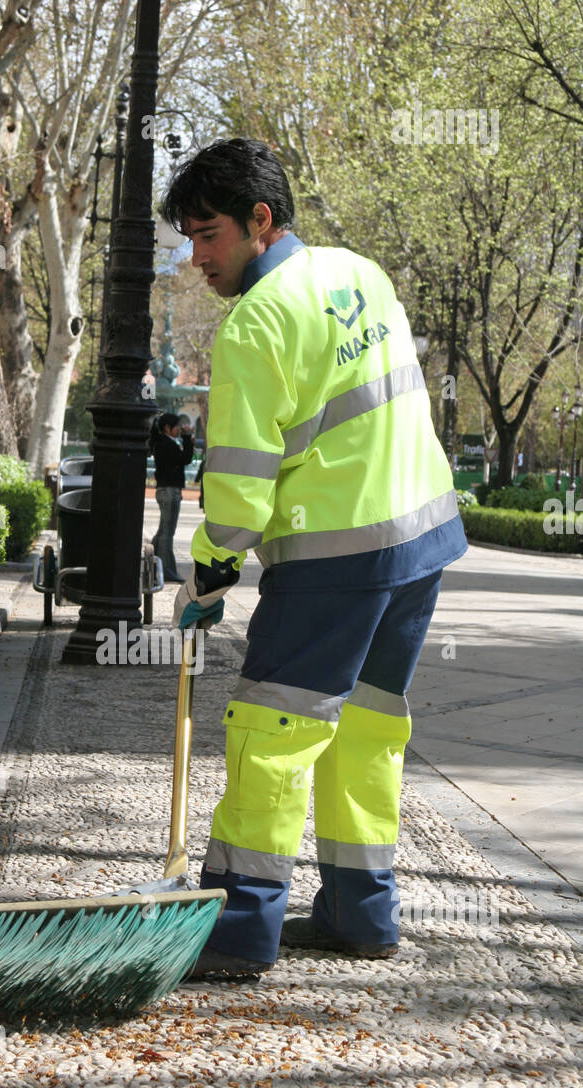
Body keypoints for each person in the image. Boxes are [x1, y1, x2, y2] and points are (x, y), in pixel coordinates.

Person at [161, 138, 468, 978]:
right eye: (190, 239)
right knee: (365, 732)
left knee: (274, 734)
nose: (198, 259)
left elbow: (242, 482)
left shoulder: (256, 322)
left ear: (261, 221)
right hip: (421, 540)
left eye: (209, 235)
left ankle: (236, 931)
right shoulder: (359, 273)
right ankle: (362, 913)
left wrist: (212, 565)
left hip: (336, 556)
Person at [150, 411, 193, 582]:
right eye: (177, 427)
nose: (179, 430)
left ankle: (153, 562)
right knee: (168, 532)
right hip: (169, 491)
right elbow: (185, 459)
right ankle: (167, 570)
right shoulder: (165, 444)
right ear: (167, 428)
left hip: (167, 490)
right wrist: (188, 439)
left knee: (164, 530)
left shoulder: (163, 442)